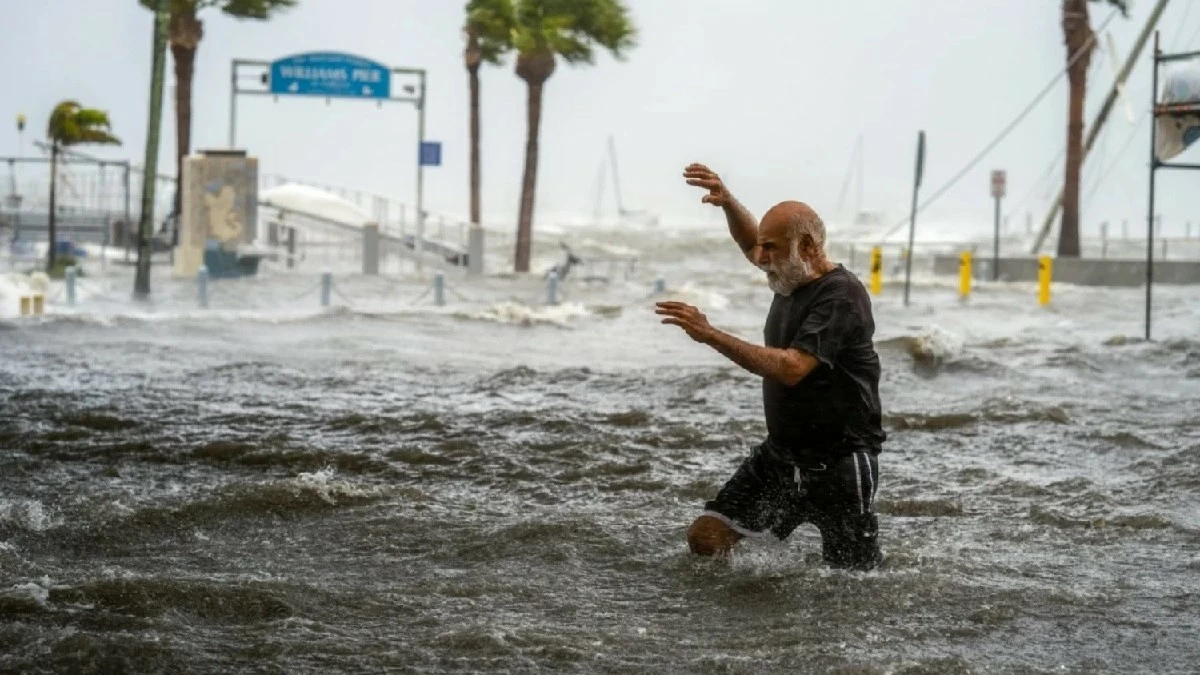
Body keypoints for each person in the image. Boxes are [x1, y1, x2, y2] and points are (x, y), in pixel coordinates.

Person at [654, 163, 885, 570]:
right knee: (707, 538)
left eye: (771, 249)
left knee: (853, 582)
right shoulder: (788, 275)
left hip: (841, 463)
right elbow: (750, 244)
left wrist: (711, 335)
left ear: (809, 247)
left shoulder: (841, 296)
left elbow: (793, 367)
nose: (760, 258)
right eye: (762, 248)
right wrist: (727, 203)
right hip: (780, 458)